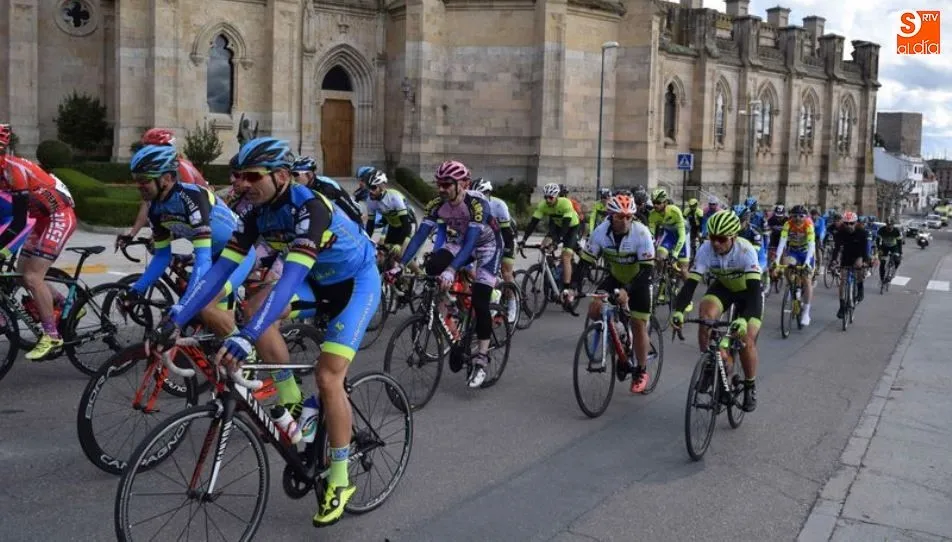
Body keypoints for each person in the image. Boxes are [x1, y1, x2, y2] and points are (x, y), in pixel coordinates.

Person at [152, 136, 380, 527]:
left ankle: (341, 478)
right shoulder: (257, 213)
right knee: (252, 309)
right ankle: (290, 399)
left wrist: (245, 337)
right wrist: (177, 317)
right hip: (317, 282)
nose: (240, 184)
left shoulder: (309, 207)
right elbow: (220, 271)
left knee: (328, 377)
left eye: (249, 177)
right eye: (236, 176)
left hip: (355, 283)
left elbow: (288, 281)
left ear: (281, 176)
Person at [124, 145, 256, 335]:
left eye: (144, 180)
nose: (139, 186)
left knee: (204, 305)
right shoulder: (155, 208)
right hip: (215, 258)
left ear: (167, 179)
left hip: (238, 256)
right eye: (136, 180)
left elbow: (203, 257)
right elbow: (162, 256)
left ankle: (244, 352)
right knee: (211, 328)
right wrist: (136, 290)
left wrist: (185, 304)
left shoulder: (192, 197)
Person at [401, 160, 501, 387]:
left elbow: (473, 242)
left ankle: (482, 358)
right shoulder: (437, 205)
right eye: (439, 184)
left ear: (463, 183)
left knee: (480, 300)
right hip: (461, 242)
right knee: (432, 267)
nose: (441, 189)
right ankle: (452, 306)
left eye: (447, 184)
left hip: (486, 246)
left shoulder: (477, 204)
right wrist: (400, 264)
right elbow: (419, 236)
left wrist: (452, 270)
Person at [671, 210, 763, 412]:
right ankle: (709, 364)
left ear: (733, 237)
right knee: (705, 318)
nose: (716, 244)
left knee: (746, 339)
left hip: (748, 293)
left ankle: (750, 385)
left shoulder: (746, 251)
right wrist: (678, 310)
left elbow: (755, 294)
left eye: (721, 239)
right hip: (724, 288)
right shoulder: (706, 249)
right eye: (712, 238)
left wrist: (745, 319)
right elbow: (691, 284)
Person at [0, 123, 79, 360]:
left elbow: (18, 221)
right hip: (41, 218)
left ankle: (52, 336)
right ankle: (69, 306)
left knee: (33, 277)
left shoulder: (13, 171)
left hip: (58, 217)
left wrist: (2, 248)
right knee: (21, 272)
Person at [575, 193, 655, 393]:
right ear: (611, 216)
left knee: (638, 325)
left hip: (639, 282)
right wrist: (571, 288)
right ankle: (619, 333)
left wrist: (628, 291)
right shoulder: (600, 232)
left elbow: (648, 271)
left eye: (629, 217)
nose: (626, 221)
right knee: (595, 310)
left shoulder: (641, 233)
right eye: (621, 217)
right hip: (615, 277)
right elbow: (585, 262)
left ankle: (641, 370)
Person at [117, 128, 209, 249]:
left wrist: (162, 235)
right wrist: (132, 234)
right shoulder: (155, 173)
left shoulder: (178, 168)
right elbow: (147, 205)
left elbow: (187, 210)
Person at [519, 182, 581, 303]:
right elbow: (533, 223)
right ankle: (550, 268)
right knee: (544, 245)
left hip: (571, 228)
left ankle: (566, 290)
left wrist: (557, 242)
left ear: (557, 196)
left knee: (566, 256)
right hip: (557, 228)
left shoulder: (565, 203)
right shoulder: (543, 205)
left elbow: (565, 226)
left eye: (551, 197)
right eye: (546, 197)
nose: (548, 200)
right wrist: (524, 239)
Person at [772, 204, 816, 325]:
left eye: (801, 216)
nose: (798, 219)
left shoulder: (808, 225)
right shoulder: (788, 224)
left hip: (806, 252)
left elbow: (812, 245)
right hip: (793, 251)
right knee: (786, 266)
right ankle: (793, 289)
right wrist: (776, 261)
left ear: (805, 217)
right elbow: (782, 243)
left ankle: (806, 312)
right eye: (795, 216)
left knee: (807, 280)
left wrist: (807, 262)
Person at [289, 156, 363, 225]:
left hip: (347, 221)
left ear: (309, 174)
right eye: (291, 174)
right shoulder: (300, 187)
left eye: (295, 174)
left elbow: (350, 209)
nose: (293, 178)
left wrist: (359, 225)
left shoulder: (327, 187)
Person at [473, 178, 516, 286]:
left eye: (480, 195)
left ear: (487, 194)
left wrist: (502, 252)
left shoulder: (499, 205)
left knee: (506, 272)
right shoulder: (472, 206)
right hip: (487, 240)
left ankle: (513, 302)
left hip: (507, 238)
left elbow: (507, 233)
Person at [830, 211, 871, 318]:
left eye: (851, 223)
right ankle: (842, 306)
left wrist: (865, 261)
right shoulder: (840, 232)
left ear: (856, 222)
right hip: (847, 255)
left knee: (858, 269)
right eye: (846, 223)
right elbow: (837, 248)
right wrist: (834, 261)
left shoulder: (862, 232)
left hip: (859, 254)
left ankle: (860, 288)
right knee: (843, 280)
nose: (849, 226)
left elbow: (865, 249)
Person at [647, 188, 689, 281]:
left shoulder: (674, 211)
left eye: (658, 202)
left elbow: (681, 236)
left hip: (683, 236)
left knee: (683, 271)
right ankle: (660, 278)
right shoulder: (652, 215)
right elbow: (651, 235)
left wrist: (675, 254)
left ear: (665, 202)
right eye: (653, 202)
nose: (655, 205)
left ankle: (688, 293)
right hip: (669, 236)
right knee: (659, 257)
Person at [876, 217, 903, 283]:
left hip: (894, 246)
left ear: (893, 225)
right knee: (882, 263)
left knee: (897, 260)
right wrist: (879, 249)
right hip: (884, 246)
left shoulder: (896, 231)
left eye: (891, 225)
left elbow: (899, 242)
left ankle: (894, 270)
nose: (889, 226)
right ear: (886, 224)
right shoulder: (881, 230)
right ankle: (882, 279)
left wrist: (900, 252)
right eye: (888, 225)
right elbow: (878, 241)